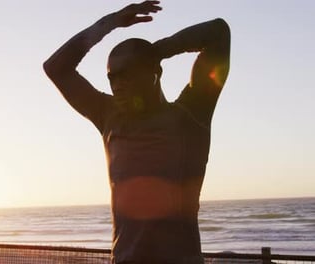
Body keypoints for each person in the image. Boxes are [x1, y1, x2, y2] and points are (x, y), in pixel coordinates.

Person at [43, 1, 230, 263]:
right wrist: (109, 23)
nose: (117, 85)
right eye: (112, 77)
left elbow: (218, 33)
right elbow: (56, 68)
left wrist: (157, 51)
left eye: (126, 74)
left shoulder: (192, 115)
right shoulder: (108, 116)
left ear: (155, 72)